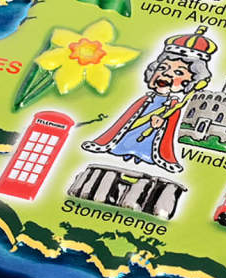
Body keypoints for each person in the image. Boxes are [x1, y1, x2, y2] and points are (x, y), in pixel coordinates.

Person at [81, 27, 217, 172]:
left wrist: (162, 122)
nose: (166, 74)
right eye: (162, 68)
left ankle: (143, 155)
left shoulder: (173, 106)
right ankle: (120, 148)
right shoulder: (146, 99)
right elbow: (125, 120)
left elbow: (169, 129)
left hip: (151, 142)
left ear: (191, 81)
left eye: (178, 72)